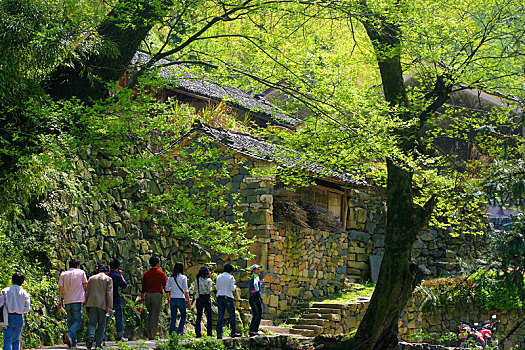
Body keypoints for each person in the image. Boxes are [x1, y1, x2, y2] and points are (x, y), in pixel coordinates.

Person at [58, 258, 88, 348]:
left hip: (67, 300)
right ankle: (70, 333)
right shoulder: (81, 272)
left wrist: (59, 300)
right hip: (77, 300)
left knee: (70, 321)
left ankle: (73, 342)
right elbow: (85, 285)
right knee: (77, 321)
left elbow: (60, 288)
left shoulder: (63, 274)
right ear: (77, 266)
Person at [85, 264, 113, 350]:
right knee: (101, 325)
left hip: (92, 303)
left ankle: (91, 336)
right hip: (102, 305)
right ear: (106, 272)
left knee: (92, 323)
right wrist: (110, 307)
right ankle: (98, 344)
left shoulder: (91, 278)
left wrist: (86, 304)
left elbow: (87, 292)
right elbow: (109, 293)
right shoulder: (108, 279)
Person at [140, 255, 168, 340]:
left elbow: (143, 287)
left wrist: (142, 298)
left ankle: (146, 332)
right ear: (157, 263)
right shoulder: (161, 273)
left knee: (150, 314)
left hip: (148, 295)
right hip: (157, 295)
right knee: (155, 315)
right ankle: (152, 335)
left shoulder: (146, 273)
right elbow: (165, 286)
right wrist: (168, 297)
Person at [0, 272, 31, 350]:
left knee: (7, 340)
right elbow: (27, 308)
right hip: (19, 317)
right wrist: (21, 310)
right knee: (16, 340)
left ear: (12, 280)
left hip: (8, 317)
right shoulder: (25, 293)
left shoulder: (5, 291)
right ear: (22, 282)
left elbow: (0, 304)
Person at [165, 262, 191, 335]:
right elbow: (186, 290)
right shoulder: (183, 277)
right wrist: (188, 300)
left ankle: (172, 333)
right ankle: (180, 331)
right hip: (180, 298)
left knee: (173, 317)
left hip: (173, 298)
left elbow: (166, 288)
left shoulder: (170, 278)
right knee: (183, 316)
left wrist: (169, 296)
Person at [215, 263, 240, 339]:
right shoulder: (231, 277)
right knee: (232, 315)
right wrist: (235, 286)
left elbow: (217, 287)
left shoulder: (219, 277)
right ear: (230, 271)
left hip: (220, 297)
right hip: (228, 297)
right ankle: (233, 332)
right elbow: (232, 288)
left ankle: (219, 333)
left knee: (220, 316)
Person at [106, 259, 128, 342]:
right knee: (119, 317)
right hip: (116, 299)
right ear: (118, 267)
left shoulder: (107, 275)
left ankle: (103, 335)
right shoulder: (117, 276)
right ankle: (120, 336)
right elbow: (124, 285)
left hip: (107, 300)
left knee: (106, 318)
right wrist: (121, 275)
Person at [194, 266, 213, 338]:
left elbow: (195, 289)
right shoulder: (209, 280)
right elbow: (209, 290)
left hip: (199, 298)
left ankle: (198, 333)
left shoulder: (198, 279)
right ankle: (209, 333)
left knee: (199, 316)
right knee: (209, 316)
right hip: (206, 298)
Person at [248, 264, 263, 336]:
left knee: (255, 314)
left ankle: (251, 329)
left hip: (251, 297)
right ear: (254, 270)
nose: (259, 270)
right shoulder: (256, 276)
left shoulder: (252, 276)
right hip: (256, 296)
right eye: (258, 269)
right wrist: (257, 289)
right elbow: (256, 284)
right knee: (259, 313)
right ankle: (255, 330)